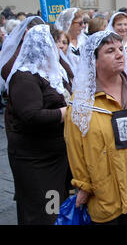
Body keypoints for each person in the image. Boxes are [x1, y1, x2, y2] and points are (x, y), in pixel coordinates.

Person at [64, 30, 127, 225]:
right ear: (94, 61)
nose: (120, 54)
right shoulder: (82, 103)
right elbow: (75, 149)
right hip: (104, 191)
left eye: (121, 48)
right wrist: (84, 186)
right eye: (110, 51)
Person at [6, 24, 72, 224]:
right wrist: (65, 113)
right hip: (35, 159)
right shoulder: (24, 77)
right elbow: (31, 116)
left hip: (56, 154)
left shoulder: (52, 71)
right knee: (41, 211)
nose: (59, 49)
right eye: (55, 44)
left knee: (57, 206)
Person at [55, 8, 87, 74]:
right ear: (68, 24)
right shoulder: (60, 42)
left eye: (83, 22)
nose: (83, 26)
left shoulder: (85, 40)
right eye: (80, 23)